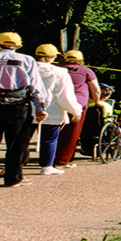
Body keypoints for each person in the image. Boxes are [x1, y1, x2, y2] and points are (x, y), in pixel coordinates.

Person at [0, 32, 48, 193]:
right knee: (17, 143)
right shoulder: (26, 60)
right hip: (17, 104)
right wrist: (40, 108)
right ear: (18, 45)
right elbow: (35, 86)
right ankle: (13, 177)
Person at [30, 44, 82, 176]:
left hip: (28, 109)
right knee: (49, 139)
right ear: (53, 57)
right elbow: (65, 97)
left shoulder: (27, 69)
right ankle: (47, 166)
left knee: (21, 139)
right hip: (51, 110)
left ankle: (14, 165)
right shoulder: (60, 73)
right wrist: (76, 110)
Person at [53, 50, 99, 168]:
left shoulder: (55, 69)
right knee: (72, 133)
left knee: (52, 131)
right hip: (77, 104)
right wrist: (97, 101)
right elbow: (96, 89)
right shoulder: (86, 71)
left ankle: (49, 157)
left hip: (55, 103)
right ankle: (62, 160)